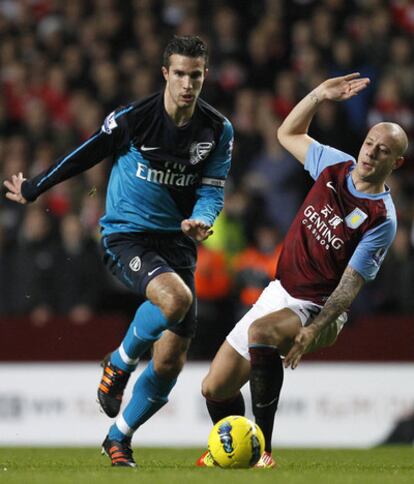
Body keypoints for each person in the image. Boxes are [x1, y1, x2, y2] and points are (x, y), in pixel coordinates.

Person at [4, 35, 233, 467]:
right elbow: (86, 152)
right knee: (176, 298)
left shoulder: (218, 130)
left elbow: (212, 189)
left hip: (178, 244)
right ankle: (120, 361)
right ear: (165, 73)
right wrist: (36, 187)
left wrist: (203, 218)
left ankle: (119, 437)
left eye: (196, 76)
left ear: (205, 76)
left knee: (170, 362)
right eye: (180, 74)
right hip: (126, 235)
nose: (187, 84)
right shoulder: (135, 118)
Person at [197, 73, 408, 468]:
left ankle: (264, 452)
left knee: (261, 333)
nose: (370, 154)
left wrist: (315, 328)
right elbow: (286, 134)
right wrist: (318, 95)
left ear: (395, 163)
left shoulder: (381, 218)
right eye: (369, 144)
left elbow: (349, 286)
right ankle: (237, 452)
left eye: (382, 151)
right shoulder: (335, 167)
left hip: (320, 307)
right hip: (280, 291)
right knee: (214, 387)